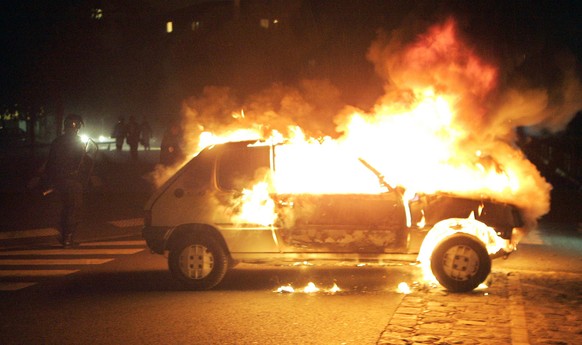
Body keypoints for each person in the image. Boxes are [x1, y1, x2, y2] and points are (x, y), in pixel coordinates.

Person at [44, 114, 92, 248]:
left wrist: (50, 179)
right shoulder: (77, 142)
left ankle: (64, 235)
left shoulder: (57, 141)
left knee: (66, 208)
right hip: (73, 180)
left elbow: (50, 162)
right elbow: (83, 162)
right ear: (77, 126)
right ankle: (67, 238)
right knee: (74, 209)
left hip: (59, 180)